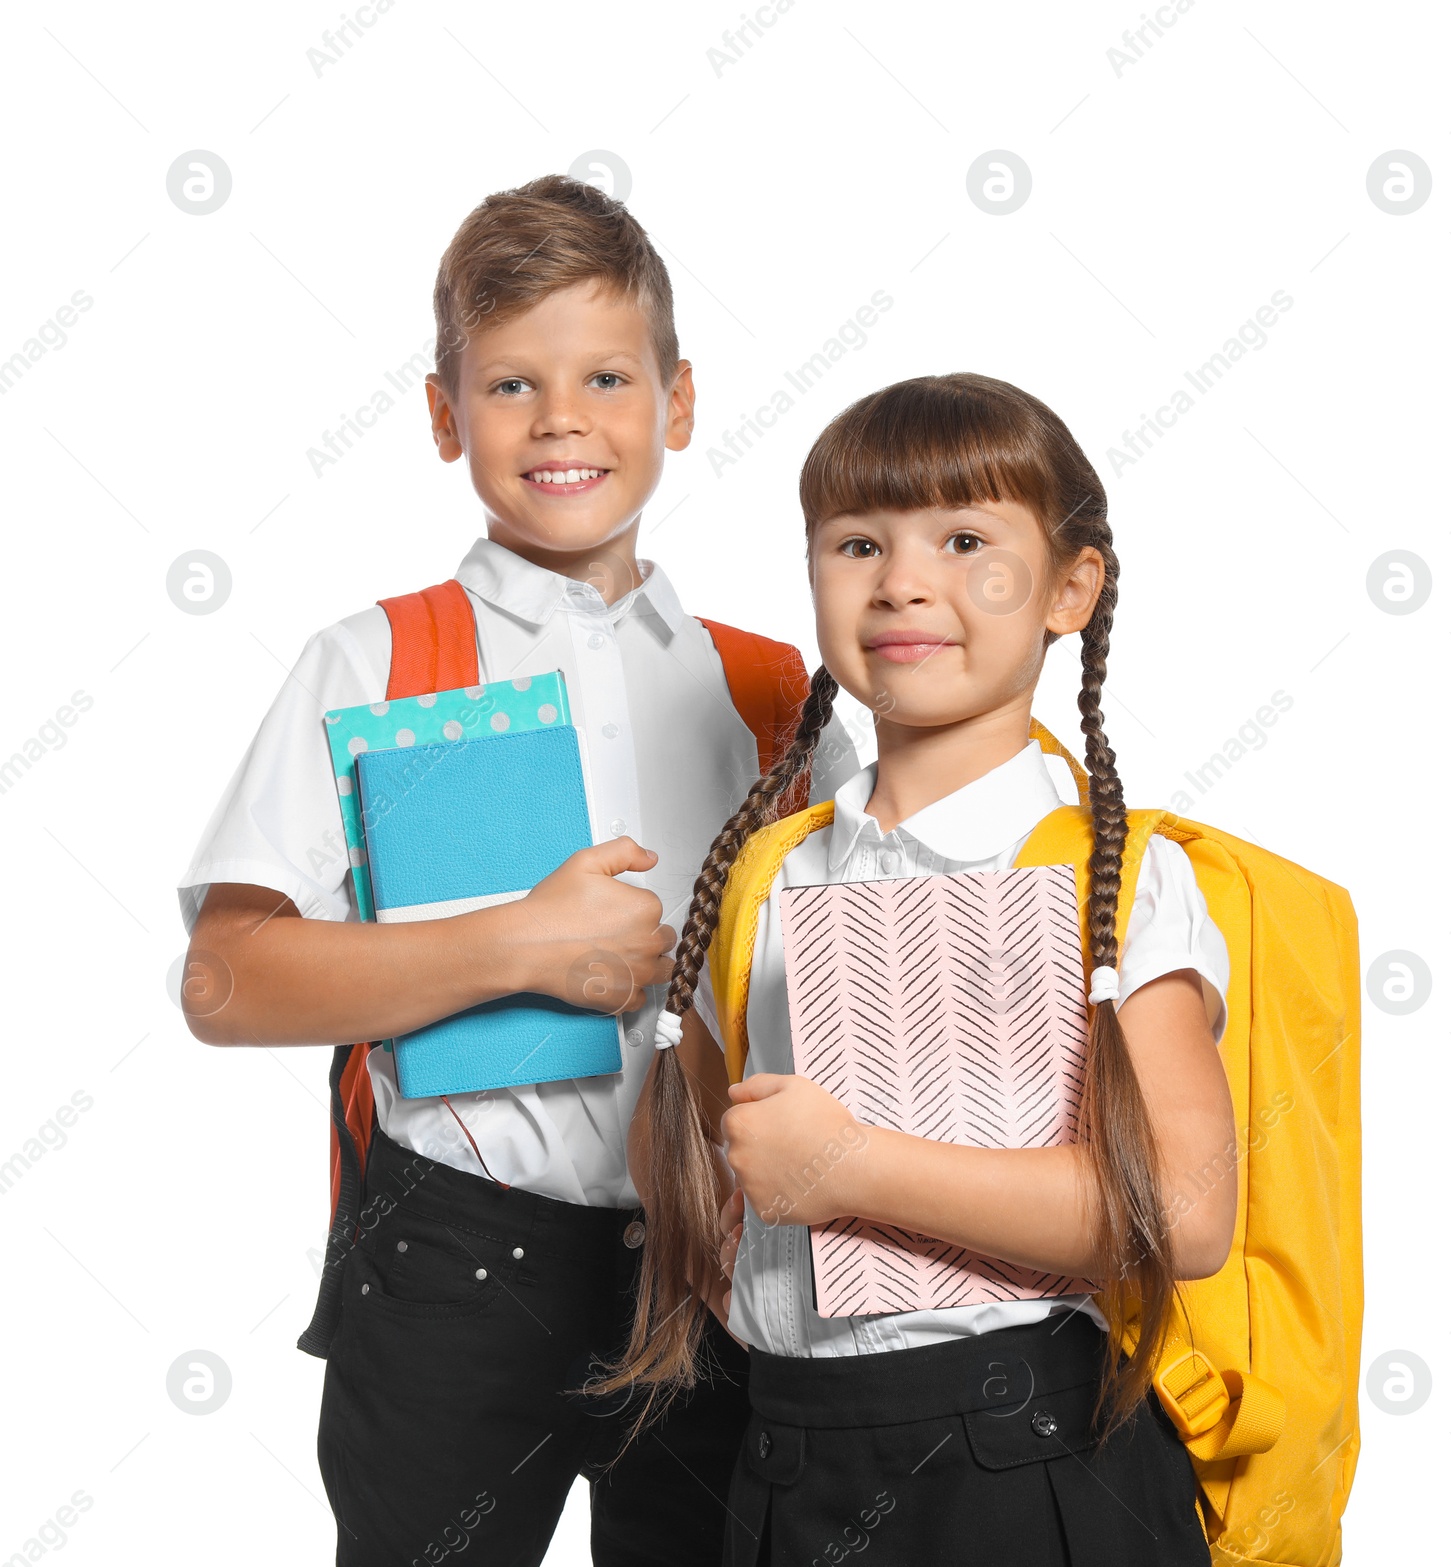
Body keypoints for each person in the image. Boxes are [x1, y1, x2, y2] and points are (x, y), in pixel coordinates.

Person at [176, 175, 856, 1566]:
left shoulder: (775, 688)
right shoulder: (373, 659)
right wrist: (520, 947)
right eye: (510, 384)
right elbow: (225, 976)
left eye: (607, 375)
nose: (561, 419)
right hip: (454, 1268)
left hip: (717, 1266)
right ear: (444, 416)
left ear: (677, 402)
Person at [613, 373, 1236, 1565]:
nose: (901, 580)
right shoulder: (767, 876)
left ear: (1069, 588)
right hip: (786, 1444)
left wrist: (856, 1166)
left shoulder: (1109, 872)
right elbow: (709, 1182)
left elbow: (1189, 1213)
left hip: (1024, 1455)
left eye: (963, 540)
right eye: (858, 543)